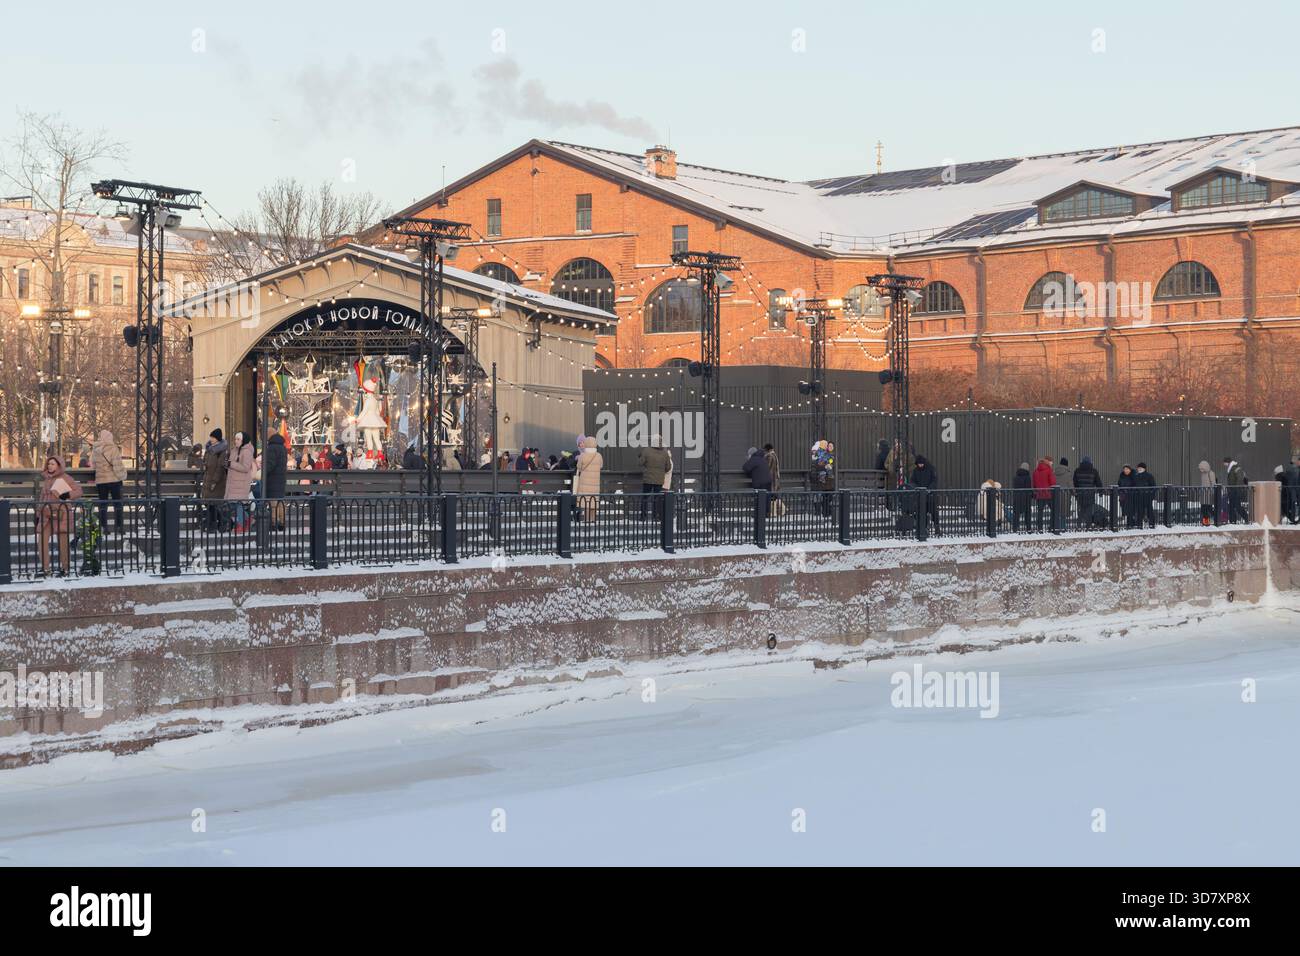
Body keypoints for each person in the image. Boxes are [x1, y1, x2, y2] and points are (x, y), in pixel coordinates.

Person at [37, 455, 83, 577]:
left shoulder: (65, 478)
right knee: (42, 540)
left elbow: (78, 491)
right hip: (47, 515)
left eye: (52, 464)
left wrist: (67, 495)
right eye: (49, 464)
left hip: (62, 514)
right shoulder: (46, 479)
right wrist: (37, 514)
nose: (49, 466)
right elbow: (42, 497)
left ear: (59, 465)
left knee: (63, 543)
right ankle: (46, 569)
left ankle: (65, 569)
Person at [91, 429, 127, 534]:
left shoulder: (95, 449)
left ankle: (104, 527)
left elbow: (93, 465)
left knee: (103, 505)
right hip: (114, 480)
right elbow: (117, 465)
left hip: (101, 481)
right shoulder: (113, 448)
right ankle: (119, 527)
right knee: (118, 504)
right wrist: (123, 476)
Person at [225, 432, 255, 532]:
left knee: (238, 504)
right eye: (235, 439)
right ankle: (248, 519)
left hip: (241, 483)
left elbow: (246, 467)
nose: (235, 441)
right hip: (233, 482)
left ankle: (240, 525)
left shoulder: (247, 452)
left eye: (238, 439)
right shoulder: (234, 450)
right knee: (233, 504)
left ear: (243, 441)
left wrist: (231, 464)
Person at [638, 436, 672, 518]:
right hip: (659, 480)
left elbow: (640, 463)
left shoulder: (646, 450)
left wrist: (640, 456)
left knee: (645, 497)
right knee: (657, 499)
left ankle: (643, 516)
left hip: (648, 479)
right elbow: (668, 467)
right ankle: (656, 516)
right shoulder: (665, 453)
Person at [201, 428, 228, 531]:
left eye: (213, 437)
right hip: (208, 479)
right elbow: (206, 462)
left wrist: (214, 481)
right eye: (211, 437)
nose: (211, 439)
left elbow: (220, 468)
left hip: (216, 482)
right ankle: (212, 524)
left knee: (214, 505)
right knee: (210, 505)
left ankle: (221, 523)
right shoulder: (209, 449)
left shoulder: (221, 451)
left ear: (217, 438)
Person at [574, 435, 603, 521]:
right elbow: (601, 466)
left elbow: (579, 467)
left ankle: (587, 521)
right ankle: (593, 520)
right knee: (593, 502)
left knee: (586, 502)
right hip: (595, 483)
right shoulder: (599, 456)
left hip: (585, 483)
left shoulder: (583, 455)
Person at [263, 432, 289, 531]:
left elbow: (270, 463)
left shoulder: (271, 448)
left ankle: (273, 523)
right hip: (281, 478)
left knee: (273, 502)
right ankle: (282, 522)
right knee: (281, 500)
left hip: (272, 478)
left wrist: (263, 472)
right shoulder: (283, 448)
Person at [910, 454, 940, 534]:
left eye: (921, 464)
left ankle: (937, 527)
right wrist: (917, 488)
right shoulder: (915, 471)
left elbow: (934, 480)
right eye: (919, 464)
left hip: (931, 495)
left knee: (934, 512)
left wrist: (929, 489)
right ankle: (924, 529)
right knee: (922, 512)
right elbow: (912, 481)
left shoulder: (931, 469)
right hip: (921, 496)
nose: (920, 465)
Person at [1072, 456, 1102, 527]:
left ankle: (1078, 525)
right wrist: (1101, 491)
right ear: (1090, 462)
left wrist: (1076, 492)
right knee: (1089, 511)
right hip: (1090, 494)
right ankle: (1088, 526)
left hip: (1080, 494)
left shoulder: (1077, 470)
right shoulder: (1094, 471)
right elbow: (1098, 482)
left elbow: (1074, 483)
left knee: (1081, 510)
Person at [1031, 457, 1056, 531]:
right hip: (1048, 494)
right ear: (1047, 462)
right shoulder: (1049, 470)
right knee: (1054, 510)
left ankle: (1040, 528)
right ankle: (1051, 527)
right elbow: (1053, 482)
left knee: (1040, 512)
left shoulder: (1035, 471)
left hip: (1040, 494)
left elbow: (1034, 484)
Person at [1222, 456, 1248, 523]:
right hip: (1232, 491)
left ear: (1227, 462)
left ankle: (1247, 518)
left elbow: (1239, 479)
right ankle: (1232, 521)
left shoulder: (1236, 468)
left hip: (1236, 491)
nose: (1224, 464)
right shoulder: (1230, 469)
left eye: (1224, 462)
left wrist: (1235, 489)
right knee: (1231, 507)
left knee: (1237, 506)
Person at [1134, 462, 1157, 528]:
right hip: (1139, 497)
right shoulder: (1136, 476)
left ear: (1144, 469)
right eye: (1138, 468)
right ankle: (1139, 525)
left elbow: (1153, 487)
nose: (1139, 469)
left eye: (1141, 468)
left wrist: (1151, 496)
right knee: (1140, 511)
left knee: (1150, 511)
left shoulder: (1149, 476)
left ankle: (1152, 524)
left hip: (1147, 496)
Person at [1011, 462, 1032, 532]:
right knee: (1027, 513)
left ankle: (1015, 528)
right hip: (1026, 498)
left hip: (1017, 497)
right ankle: (1028, 528)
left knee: (1016, 514)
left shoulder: (1016, 477)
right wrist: (1031, 495)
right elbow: (1028, 488)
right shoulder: (1027, 477)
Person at [1197, 459, 1217, 525]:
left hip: (1209, 494)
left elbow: (1213, 483)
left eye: (1202, 469)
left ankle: (1217, 519)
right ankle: (1206, 522)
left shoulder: (1211, 473)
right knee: (1204, 509)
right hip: (1204, 494)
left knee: (1209, 509)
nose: (1201, 470)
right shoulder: (1203, 474)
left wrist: (1212, 492)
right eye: (1200, 469)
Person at [1285, 457, 1300, 524]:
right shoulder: (1295, 469)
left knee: (1294, 505)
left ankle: (1295, 519)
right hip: (1295, 489)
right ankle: (1296, 519)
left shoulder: (1293, 469)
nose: (1297, 462)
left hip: (1295, 489)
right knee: (1295, 505)